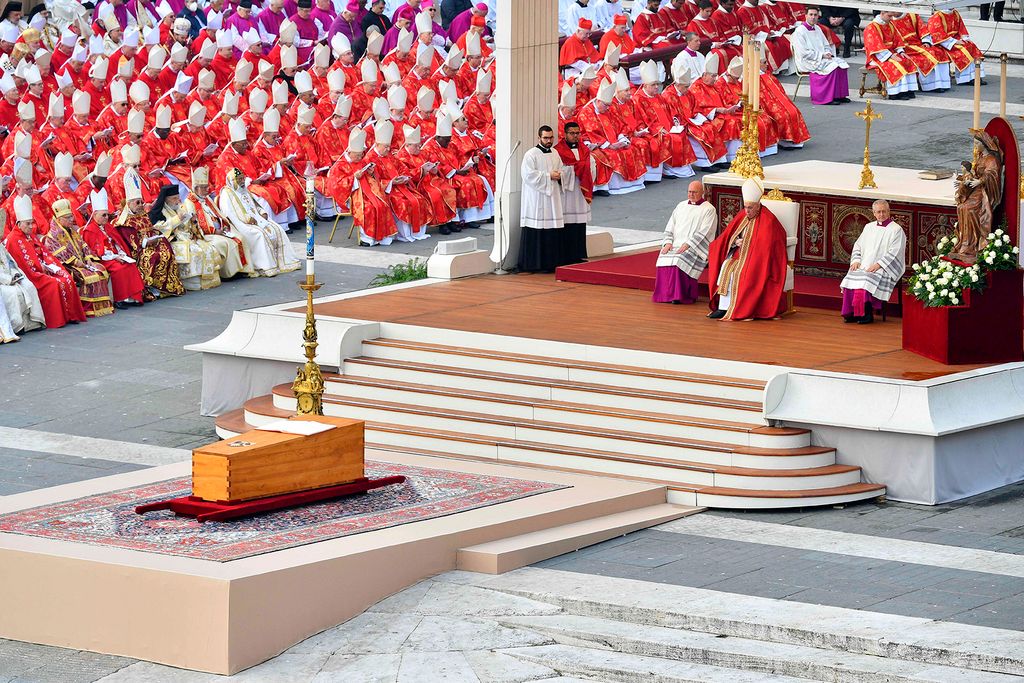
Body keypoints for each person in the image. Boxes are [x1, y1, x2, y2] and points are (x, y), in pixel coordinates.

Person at [706, 177, 787, 320]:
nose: (747, 211)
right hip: (738, 254)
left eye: (750, 208)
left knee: (740, 271)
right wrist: (735, 242)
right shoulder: (742, 215)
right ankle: (723, 307)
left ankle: (741, 308)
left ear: (758, 205)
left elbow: (770, 245)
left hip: (759, 258)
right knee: (726, 266)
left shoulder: (768, 220)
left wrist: (751, 245)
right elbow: (727, 236)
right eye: (745, 207)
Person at [4, 194, 88, 329]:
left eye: (32, 222)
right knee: (54, 284)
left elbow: (45, 252)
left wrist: (52, 265)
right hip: (32, 274)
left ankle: (71, 316)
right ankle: (56, 320)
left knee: (66, 277)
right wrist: (42, 267)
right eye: (28, 224)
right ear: (19, 224)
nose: (31, 227)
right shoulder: (14, 239)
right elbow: (23, 264)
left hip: (44, 267)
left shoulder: (30, 235)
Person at [218, 168, 300, 276]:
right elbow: (229, 213)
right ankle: (265, 266)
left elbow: (255, 204)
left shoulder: (244, 189)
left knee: (278, 229)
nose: (242, 181)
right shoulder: (226, 194)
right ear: (233, 181)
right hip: (241, 224)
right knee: (260, 234)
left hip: (257, 219)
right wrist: (246, 219)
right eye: (239, 180)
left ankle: (284, 262)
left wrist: (262, 212)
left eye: (243, 178)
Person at [42, 199, 115, 317]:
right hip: (68, 265)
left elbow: (84, 245)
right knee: (87, 275)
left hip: (83, 262)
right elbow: (59, 254)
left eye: (71, 216)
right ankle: (87, 308)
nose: (72, 220)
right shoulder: (53, 235)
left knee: (100, 269)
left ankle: (101, 307)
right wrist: (77, 262)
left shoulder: (72, 230)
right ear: (59, 219)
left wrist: (89, 259)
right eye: (68, 218)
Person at [840, 199, 906, 324]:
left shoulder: (896, 230)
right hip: (864, 263)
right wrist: (856, 260)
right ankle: (852, 313)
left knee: (865, 280)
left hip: (884, 267)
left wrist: (879, 264)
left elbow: (895, 251)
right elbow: (858, 245)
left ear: (889, 211)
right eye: (878, 212)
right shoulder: (868, 227)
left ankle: (866, 314)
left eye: (884, 211)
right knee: (850, 278)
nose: (881, 215)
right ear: (874, 213)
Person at [518, 125, 573, 273]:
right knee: (537, 229)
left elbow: (561, 169)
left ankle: (550, 263)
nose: (549, 141)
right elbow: (528, 175)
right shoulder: (531, 154)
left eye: (551, 137)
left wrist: (560, 174)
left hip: (552, 197)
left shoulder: (555, 152)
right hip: (537, 198)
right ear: (539, 138)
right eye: (546, 138)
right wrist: (549, 176)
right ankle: (535, 264)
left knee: (552, 229)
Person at [184, 166, 255, 280]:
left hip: (219, 230)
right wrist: (215, 231)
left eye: (207, 186)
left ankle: (242, 269)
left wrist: (224, 225)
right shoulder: (189, 202)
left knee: (240, 237)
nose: (208, 189)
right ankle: (229, 274)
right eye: (204, 187)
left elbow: (218, 214)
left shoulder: (206, 198)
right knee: (226, 243)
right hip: (205, 235)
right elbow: (193, 224)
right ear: (196, 188)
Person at [150, 183, 224, 290]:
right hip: (172, 241)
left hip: (187, 238)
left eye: (178, 198)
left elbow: (188, 227)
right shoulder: (158, 212)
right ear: (166, 200)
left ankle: (208, 280)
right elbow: (159, 228)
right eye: (174, 198)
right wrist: (177, 219)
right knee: (195, 252)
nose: (177, 201)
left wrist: (193, 222)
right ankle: (192, 282)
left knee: (208, 249)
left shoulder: (180, 208)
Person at [653, 180, 717, 304]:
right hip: (675, 244)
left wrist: (688, 244)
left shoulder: (709, 209)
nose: (691, 195)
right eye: (689, 192)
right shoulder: (681, 206)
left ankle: (680, 296)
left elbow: (706, 231)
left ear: (702, 193)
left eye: (694, 192)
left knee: (679, 260)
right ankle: (665, 295)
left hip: (694, 246)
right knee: (663, 256)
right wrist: (667, 243)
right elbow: (670, 225)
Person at [791, 7, 850, 105]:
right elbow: (803, 53)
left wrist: (827, 53)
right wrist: (822, 55)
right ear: (805, 16)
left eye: (815, 15)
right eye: (811, 15)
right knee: (833, 67)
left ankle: (839, 95)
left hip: (821, 57)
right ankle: (826, 98)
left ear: (818, 16)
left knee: (842, 65)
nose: (813, 17)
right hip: (807, 61)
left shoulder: (817, 28)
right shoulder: (799, 31)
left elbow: (826, 45)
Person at [554, 120, 591, 264]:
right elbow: (558, 169)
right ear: (565, 134)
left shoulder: (584, 149)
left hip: (580, 189)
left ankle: (578, 254)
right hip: (567, 191)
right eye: (572, 133)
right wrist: (575, 169)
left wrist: (583, 168)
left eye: (577, 133)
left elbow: (591, 166)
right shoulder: (558, 150)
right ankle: (565, 255)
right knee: (567, 223)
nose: (575, 136)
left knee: (579, 224)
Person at [863, 11, 919, 100]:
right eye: (889, 16)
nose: (891, 18)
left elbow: (897, 40)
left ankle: (908, 90)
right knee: (896, 65)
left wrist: (901, 52)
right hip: (878, 57)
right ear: (882, 13)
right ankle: (895, 93)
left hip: (891, 53)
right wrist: (890, 56)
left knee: (907, 60)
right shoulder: (871, 27)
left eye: (892, 16)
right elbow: (875, 46)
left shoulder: (890, 24)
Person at [0, 236, 44, 341]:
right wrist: (8, 279)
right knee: (14, 293)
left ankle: (32, 323)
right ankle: (17, 326)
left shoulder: (1, 246)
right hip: (3, 281)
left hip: (10, 276)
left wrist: (15, 274)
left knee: (29, 287)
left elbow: (10, 263)